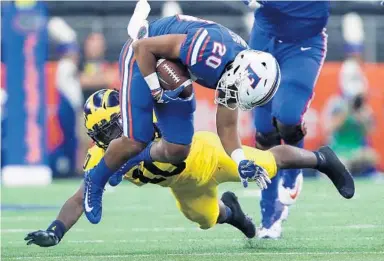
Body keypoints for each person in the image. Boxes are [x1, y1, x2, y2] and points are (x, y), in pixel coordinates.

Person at [24, 89, 354, 247]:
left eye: (116, 126)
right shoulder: (101, 158)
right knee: (206, 219)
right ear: (97, 138)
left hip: (206, 154)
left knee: (266, 160)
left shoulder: (144, 120)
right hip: (181, 185)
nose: (115, 137)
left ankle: (321, 159)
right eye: (106, 133)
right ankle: (236, 215)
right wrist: (56, 230)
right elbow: (82, 196)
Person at [83, 1, 281, 225]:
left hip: (173, 69)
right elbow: (143, 48)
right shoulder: (210, 49)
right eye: (235, 89)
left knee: (178, 148)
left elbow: (226, 127)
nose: (232, 93)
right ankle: (96, 181)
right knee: (136, 139)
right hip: (143, 56)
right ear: (240, 69)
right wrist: (156, 89)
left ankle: (124, 162)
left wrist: (241, 160)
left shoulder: (238, 71)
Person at [243, 0, 329, 238]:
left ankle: (292, 177)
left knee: (287, 118)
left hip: (303, 44)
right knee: (264, 133)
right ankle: (269, 217)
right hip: (263, 39)